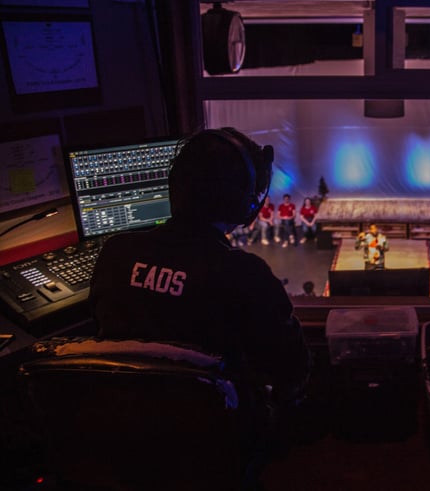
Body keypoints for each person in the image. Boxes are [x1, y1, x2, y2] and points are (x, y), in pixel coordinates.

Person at [89, 128, 312, 468]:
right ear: (245, 203)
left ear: (175, 186)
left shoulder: (115, 254)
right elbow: (291, 368)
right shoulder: (245, 274)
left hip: (123, 435)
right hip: (217, 443)